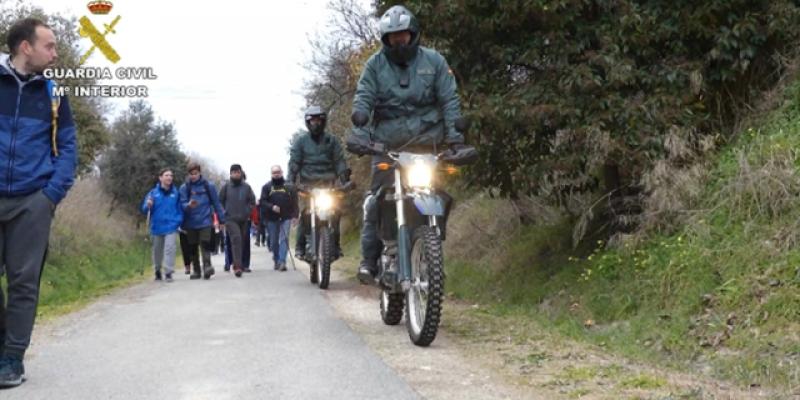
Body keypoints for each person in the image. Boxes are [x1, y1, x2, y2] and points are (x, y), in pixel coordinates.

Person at [348, 5, 468, 283]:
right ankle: (371, 259)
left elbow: (449, 100)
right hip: (386, 147)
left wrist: (456, 140)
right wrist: (360, 131)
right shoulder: (374, 65)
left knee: (439, 195)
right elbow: (364, 98)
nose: (398, 41)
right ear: (385, 40)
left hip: (428, 145)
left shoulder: (435, 62)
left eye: (402, 35)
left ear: (412, 34)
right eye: (393, 38)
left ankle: (432, 244)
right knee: (375, 199)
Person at [0, 18, 78, 388]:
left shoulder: (54, 94)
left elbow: (68, 147)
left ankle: (12, 359)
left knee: (23, 282)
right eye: (49, 45)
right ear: (25, 47)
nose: (55, 52)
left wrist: (50, 195)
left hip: (32, 200)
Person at [288, 106, 350, 261]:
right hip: (307, 187)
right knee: (305, 213)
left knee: (335, 213)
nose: (316, 123)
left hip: (329, 186)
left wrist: (345, 180)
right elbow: (294, 163)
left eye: (318, 120)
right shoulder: (300, 142)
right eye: (312, 120)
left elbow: (340, 162)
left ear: (324, 121)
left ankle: (335, 245)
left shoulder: (332, 141)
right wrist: (291, 181)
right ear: (308, 122)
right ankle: (301, 246)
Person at [179, 162, 225, 280]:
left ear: (200, 173)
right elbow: (181, 204)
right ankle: (196, 270)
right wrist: (188, 205)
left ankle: (207, 266)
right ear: (188, 174)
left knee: (205, 244)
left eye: (195, 173)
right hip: (190, 223)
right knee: (193, 247)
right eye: (191, 174)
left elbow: (216, 203)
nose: (193, 176)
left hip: (205, 221)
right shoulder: (185, 188)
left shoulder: (208, 186)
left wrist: (222, 219)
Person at [140, 168, 183, 282]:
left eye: (171, 175)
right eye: (166, 175)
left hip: (171, 226)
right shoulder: (153, 193)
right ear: (160, 178)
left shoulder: (175, 193)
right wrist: (148, 205)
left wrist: (178, 221)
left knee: (170, 248)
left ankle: (168, 272)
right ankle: (157, 270)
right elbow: (145, 209)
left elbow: (180, 209)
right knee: (157, 251)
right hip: (157, 226)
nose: (169, 177)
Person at [218, 164, 256, 277]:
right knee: (236, 239)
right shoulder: (226, 187)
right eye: (233, 172)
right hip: (230, 219)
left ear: (241, 173)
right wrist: (223, 213)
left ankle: (243, 264)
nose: (236, 174)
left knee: (243, 241)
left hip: (244, 219)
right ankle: (237, 266)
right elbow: (219, 201)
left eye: (238, 172)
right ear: (230, 174)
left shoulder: (247, 187)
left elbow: (252, 201)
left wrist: (247, 211)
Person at [259, 165, 298, 271]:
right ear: (271, 174)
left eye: (278, 172)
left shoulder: (289, 186)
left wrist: (295, 216)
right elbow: (262, 202)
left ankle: (282, 262)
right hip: (271, 218)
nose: (276, 174)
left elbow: (295, 202)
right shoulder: (266, 187)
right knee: (273, 241)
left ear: (282, 172)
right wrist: (272, 207)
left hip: (286, 217)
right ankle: (276, 259)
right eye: (274, 172)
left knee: (284, 239)